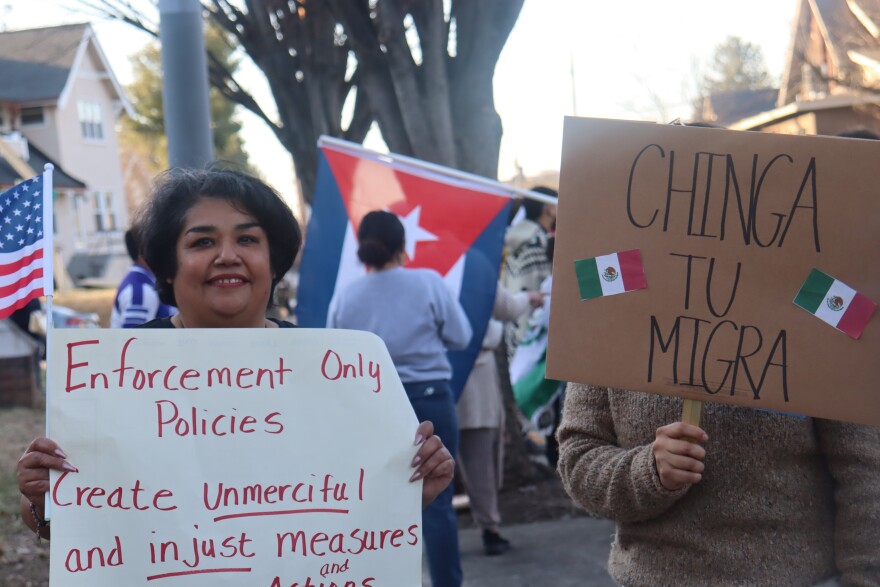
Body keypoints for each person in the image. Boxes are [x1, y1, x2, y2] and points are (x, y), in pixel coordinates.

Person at [17, 167, 455, 541]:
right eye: (202, 242)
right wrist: (41, 499)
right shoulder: (113, 375)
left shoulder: (329, 372)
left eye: (248, 240)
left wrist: (411, 490)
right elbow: (74, 530)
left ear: (273, 261)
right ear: (167, 266)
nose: (228, 256)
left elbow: (357, 519)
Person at [556, 384, 880, 585]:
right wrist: (648, 471)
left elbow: (865, 473)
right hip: (651, 578)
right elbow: (579, 459)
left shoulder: (811, 297)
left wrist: (865, 578)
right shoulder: (614, 302)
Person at [326, 210, 471, 587]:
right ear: (402, 247)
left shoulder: (347, 295)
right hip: (431, 400)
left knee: (373, 503)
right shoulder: (428, 283)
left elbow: (334, 353)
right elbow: (462, 336)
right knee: (438, 503)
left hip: (372, 406)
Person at [457, 283, 542, 555]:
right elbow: (506, 306)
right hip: (474, 379)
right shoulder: (476, 263)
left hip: (428, 380)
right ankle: (489, 529)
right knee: (481, 461)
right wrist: (529, 297)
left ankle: (431, 536)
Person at [502, 186, 557, 358]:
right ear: (550, 208)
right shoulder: (537, 242)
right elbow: (541, 293)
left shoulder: (516, 238)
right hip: (528, 333)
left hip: (512, 324)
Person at [110, 227, 176, 328]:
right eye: (158, 245)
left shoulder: (142, 283)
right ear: (143, 251)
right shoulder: (141, 291)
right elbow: (133, 340)